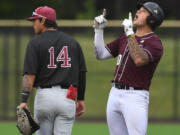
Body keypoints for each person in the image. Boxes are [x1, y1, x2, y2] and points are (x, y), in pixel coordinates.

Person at [93, 2, 164, 135]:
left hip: (135, 96)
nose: (137, 12)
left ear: (152, 19)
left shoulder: (154, 42)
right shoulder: (125, 37)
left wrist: (130, 33)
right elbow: (101, 54)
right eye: (139, 10)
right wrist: (98, 30)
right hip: (114, 93)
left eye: (143, 11)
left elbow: (139, 60)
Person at [19, 6, 87, 135]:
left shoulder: (35, 43)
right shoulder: (73, 42)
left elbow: (30, 75)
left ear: (43, 21)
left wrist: (24, 100)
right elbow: (82, 72)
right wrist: (81, 99)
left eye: (35, 20)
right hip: (68, 97)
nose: (33, 24)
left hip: (45, 97)